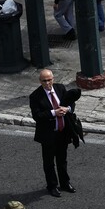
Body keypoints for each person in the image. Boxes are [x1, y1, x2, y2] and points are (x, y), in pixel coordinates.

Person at [29, 69, 76, 198]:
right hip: (48, 135)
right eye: (44, 81)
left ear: (53, 79)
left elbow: (71, 102)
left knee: (62, 160)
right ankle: (52, 185)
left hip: (62, 132)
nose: (47, 83)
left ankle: (65, 183)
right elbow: (37, 116)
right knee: (49, 162)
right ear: (40, 81)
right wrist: (54, 113)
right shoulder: (35, 96)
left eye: (49, 80)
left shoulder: (60, 88)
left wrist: (67, 109)